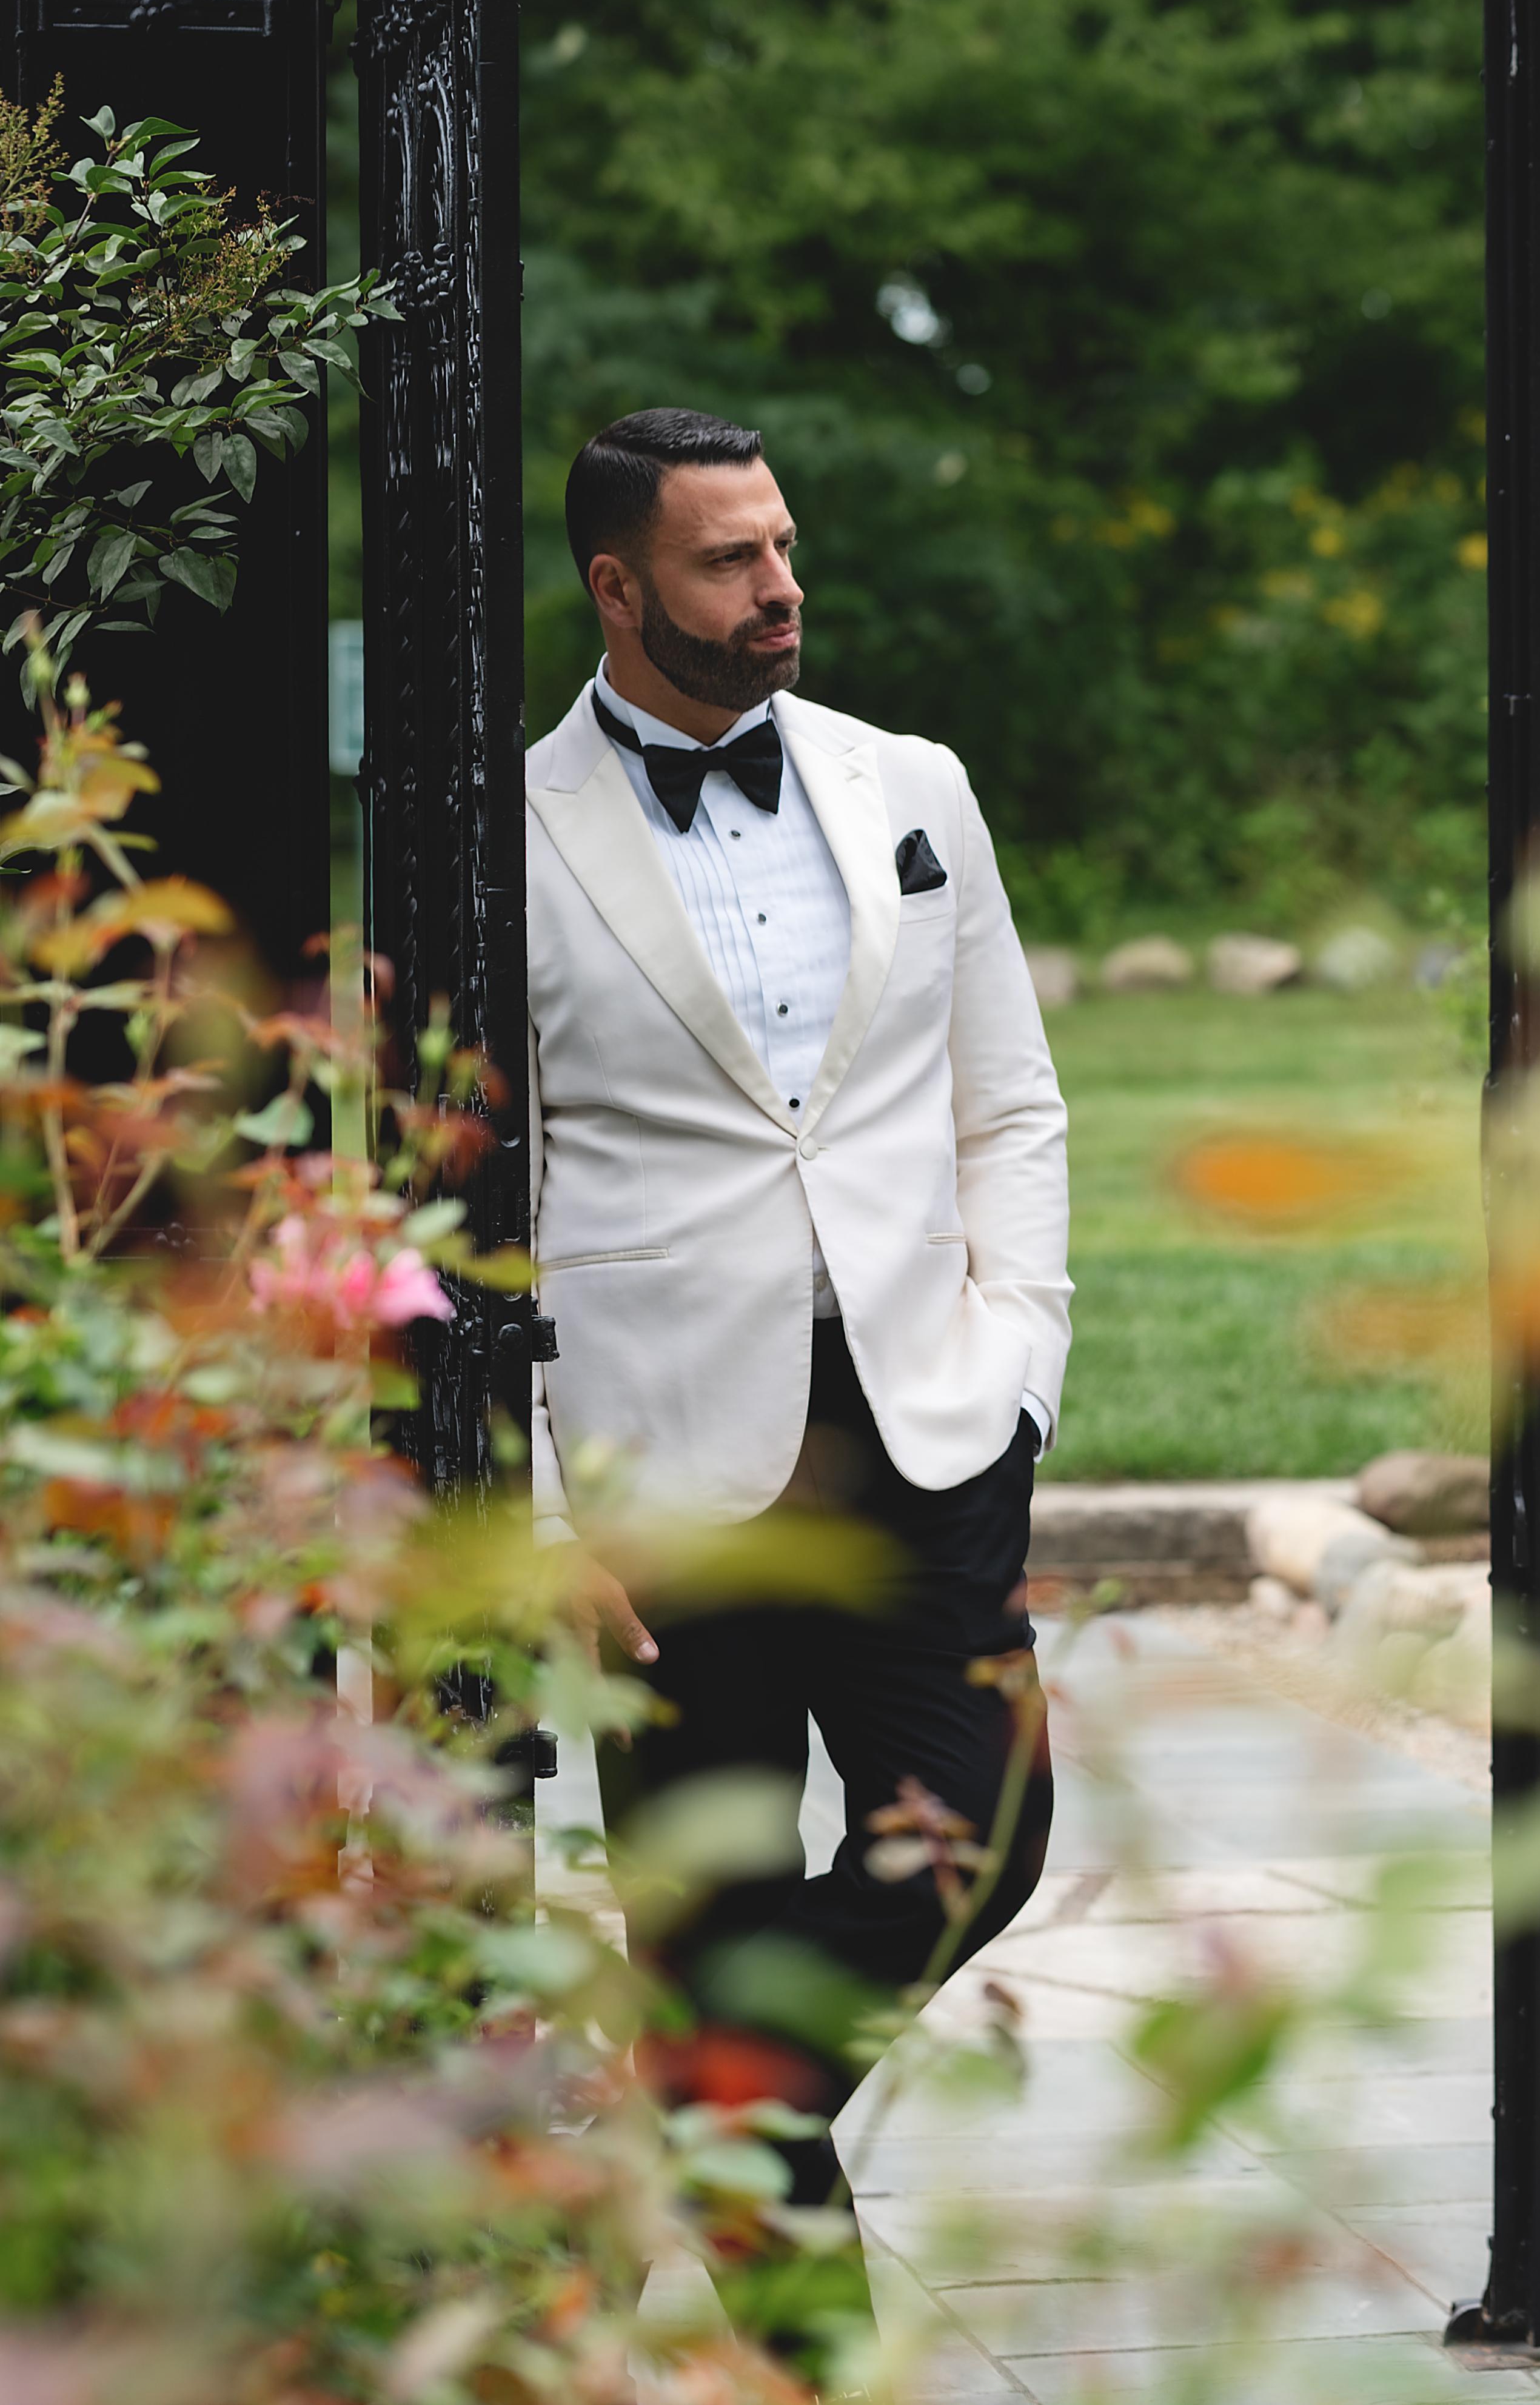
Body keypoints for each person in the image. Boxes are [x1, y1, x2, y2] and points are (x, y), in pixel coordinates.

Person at [524, 407, 1072, 2341]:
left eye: (780, 545)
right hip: (661, 1463)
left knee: (979, 1832)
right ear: (620, 588)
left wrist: (1021, 1353)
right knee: (717, 1912)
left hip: (924, 1423)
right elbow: (469, 1189)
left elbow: (1010, 1100)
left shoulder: (909, 783)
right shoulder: (505, 831)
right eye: (728, 559)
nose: (781, 586)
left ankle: (655, 2119)